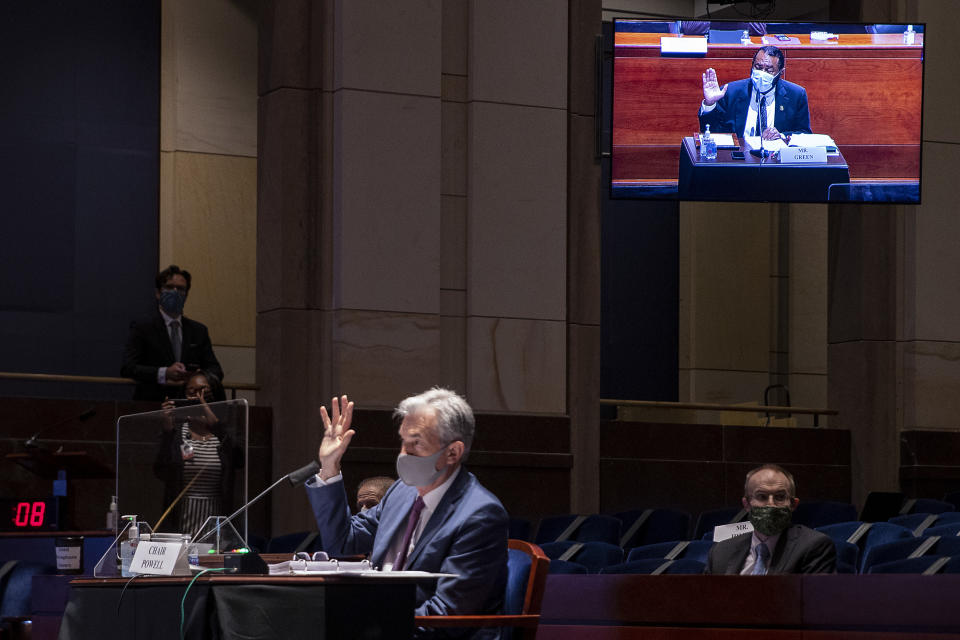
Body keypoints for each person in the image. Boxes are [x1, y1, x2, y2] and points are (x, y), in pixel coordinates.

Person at [306, 388, 508, 638]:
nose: (404, 453)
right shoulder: (402, 492)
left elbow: (446, 615)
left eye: (416, 443)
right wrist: (329, 466)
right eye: (403, 441)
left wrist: (367, 627)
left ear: (453, 453)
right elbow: (343, 541)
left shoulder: (479, 515)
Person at [705, 463, 836, 574]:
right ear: (746, 504)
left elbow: (814, 601)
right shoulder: (721, 552)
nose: (771, 504)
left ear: (793, 505)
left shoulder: (813, 546)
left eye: (779, 497)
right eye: (762, 497)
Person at [121, 265, 223, 401]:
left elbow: (215, 369)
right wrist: (164, 373)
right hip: (152, 402)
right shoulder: (143, 327)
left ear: (186, 295)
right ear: (158, 293)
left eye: (181, 289)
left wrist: (198, 377)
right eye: (169, 287)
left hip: (190, 404)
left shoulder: (198, 330)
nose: (175, 292)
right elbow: (128, 368)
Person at [153, 370, 235, 535]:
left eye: (203, 392)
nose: (197, 398)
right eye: (191, 393)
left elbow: (239, 460)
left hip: (217, 521)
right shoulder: (176, 435)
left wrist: (215, 424)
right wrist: (168, 432)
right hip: (181, 519)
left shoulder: (223, 435)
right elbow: (161, 471)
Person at [698, 46, 811, 142]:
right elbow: (711, 133)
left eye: (769, 70)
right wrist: (710, 104)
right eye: (758, 67)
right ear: (752, 66)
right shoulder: (730, 92)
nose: (762, 73)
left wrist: (781, 136)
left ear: (781, 72)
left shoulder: (796, 95)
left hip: (776, 161)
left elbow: (804, 134)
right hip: (740, 160)